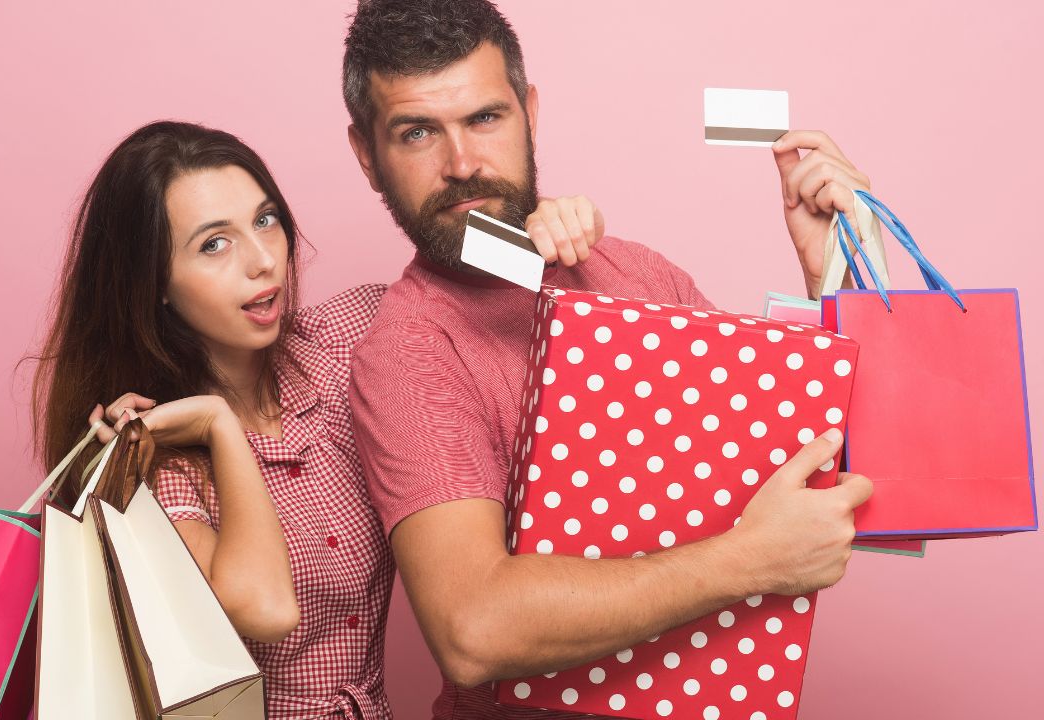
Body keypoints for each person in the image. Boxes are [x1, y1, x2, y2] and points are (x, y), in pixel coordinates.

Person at [341, 1, 876, 717]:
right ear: (368, 157)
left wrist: (834, 277)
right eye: (416, 133)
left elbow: (817, 478)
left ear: (529, 111)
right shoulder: (406, 351)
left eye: (486, 118)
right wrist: (750, 560)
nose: (462, 164)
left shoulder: (638, 276)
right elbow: (474, 630)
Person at [34, 120, 605, 719]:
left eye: (265, 220)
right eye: (213, 244)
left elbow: (476, 286)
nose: (261, 261)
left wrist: (542, 223)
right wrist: (220, 428)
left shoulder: (351, 338)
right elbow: (268, 609)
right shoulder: (162, 460)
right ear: (155, 285)